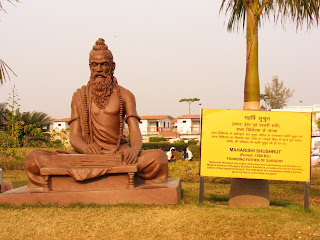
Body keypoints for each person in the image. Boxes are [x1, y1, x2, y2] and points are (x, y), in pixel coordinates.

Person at [25, 38, 168, 188]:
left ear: (112, 67)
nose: (99, 69)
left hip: (118, 154)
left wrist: (134, 150)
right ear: (90, 67)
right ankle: (115, 177)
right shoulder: (80, 96)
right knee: (34, 158)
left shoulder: (125, 95)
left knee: (158, 158)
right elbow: (74, 136)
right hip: (86, 155)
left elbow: (135, 131)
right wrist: (85, 148)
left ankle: (76, 181)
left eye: (103, 64)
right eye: (95, 65)